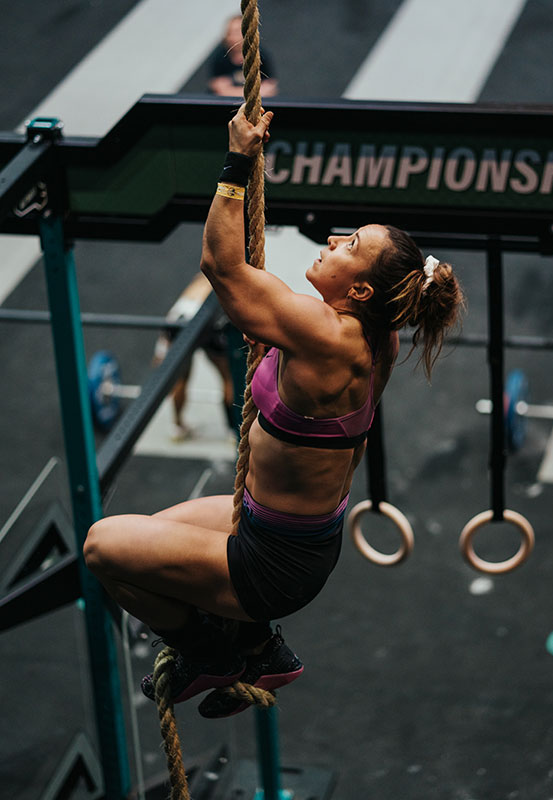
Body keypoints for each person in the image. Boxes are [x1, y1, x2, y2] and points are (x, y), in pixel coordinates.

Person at [83, 105, 464, 719]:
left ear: (361, 291)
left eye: (350, 246)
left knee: (103, 548)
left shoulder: (329, 336)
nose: (334, 240)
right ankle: (261, 645)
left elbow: (222, 267)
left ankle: (208, 652)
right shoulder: (374, 333)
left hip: (270, 564)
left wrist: (237, 162)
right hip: (274, 525)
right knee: (149, 541)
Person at [152, 272, 235, 441]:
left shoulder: (196, 282)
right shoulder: (226, 278)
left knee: (181, 380)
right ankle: (232, 431)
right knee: (228, 377)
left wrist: (160, 352)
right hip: (208, 322)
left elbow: (170, 320)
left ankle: (177, 427)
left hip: (181, 321)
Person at [207, 14, 278, 98]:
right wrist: (255, 93)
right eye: (229, 33)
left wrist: (232, 91)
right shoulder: (220, 57)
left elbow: (270, 88)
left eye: (236, 32)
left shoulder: (261, 55)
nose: (232, 37)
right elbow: (220, 90)